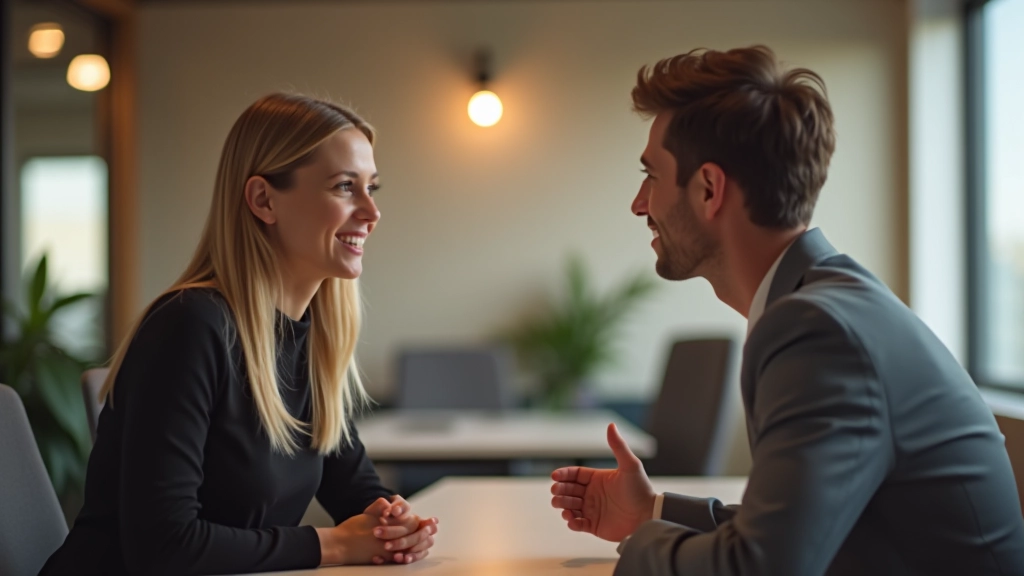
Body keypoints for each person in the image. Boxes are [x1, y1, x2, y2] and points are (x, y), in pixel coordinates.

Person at [550, 46, 1024, 575]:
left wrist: (642, 548)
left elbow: (763, 567)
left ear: (709, 189)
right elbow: (804, 529)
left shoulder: (817, 330)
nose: (640, 203)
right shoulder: (828, 303)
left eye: (652, 176)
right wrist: (651, 514)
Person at [40, 93, 438, 575]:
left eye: (372, 187)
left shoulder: (312, 339)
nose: (371, 212)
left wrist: (392, 523)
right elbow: (163, 546)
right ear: (263, 200)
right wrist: (332, 545)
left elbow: (355, 490)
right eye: (344, 187)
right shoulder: (189, 326)